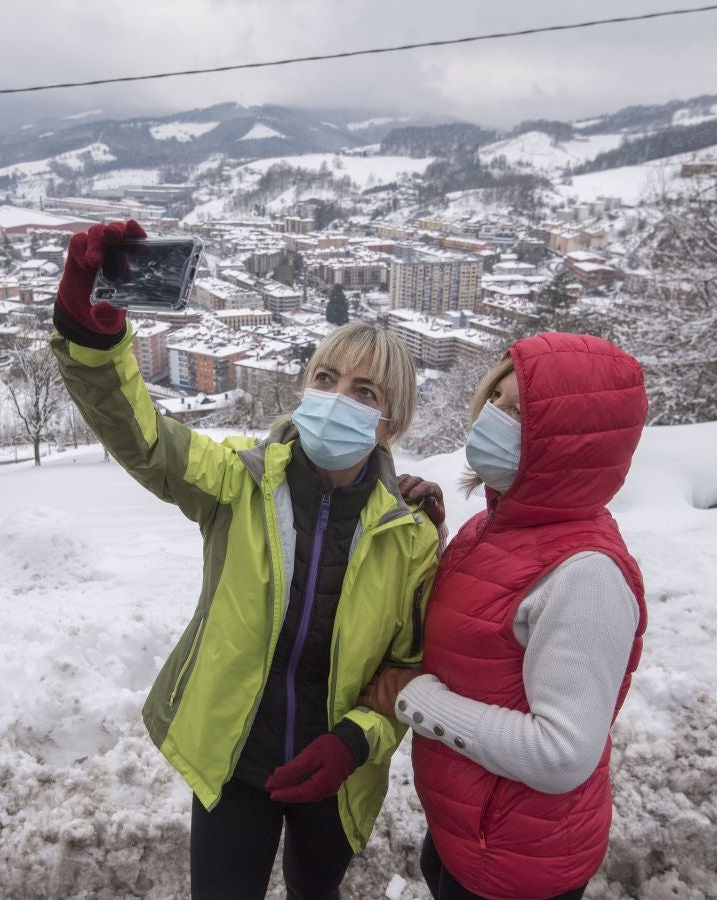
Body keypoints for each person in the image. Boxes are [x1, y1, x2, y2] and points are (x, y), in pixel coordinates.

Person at [49, 220, 442, 900]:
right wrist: (93, 330)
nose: (337, 398)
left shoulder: (412, 538)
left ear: (392, 424)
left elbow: (407, 671)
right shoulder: (239, 480)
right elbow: (143, 438)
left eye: (366, 392)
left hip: (335, 777)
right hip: (234, 765)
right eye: (326, 377)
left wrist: (352, 743)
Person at [362, 332, 648, 900]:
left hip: (519, 862)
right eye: (495, 399)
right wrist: (424, 532)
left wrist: (410, 698)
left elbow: (561, 754)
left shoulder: (585, 576)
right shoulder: (496, 529)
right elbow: (473, 631)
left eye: (519, 411)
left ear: (572, 443)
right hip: (470, 830)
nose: (492, 418)